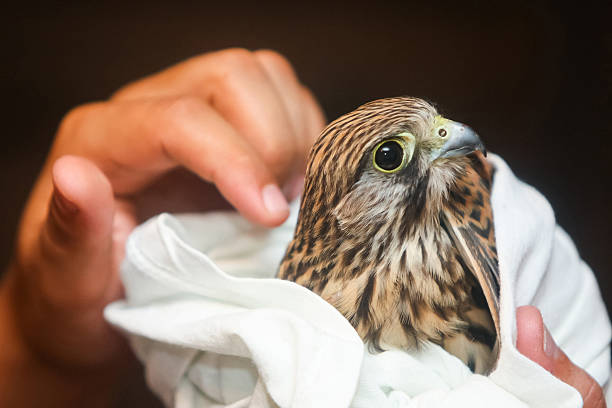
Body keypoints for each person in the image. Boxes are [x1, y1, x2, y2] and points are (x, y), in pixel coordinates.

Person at [0, 48, 605, 408]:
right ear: (345, 209)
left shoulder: (467, 244)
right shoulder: (298, 303)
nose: (452, 138)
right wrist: (40, 349)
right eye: (394, 157)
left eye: (438, 126)